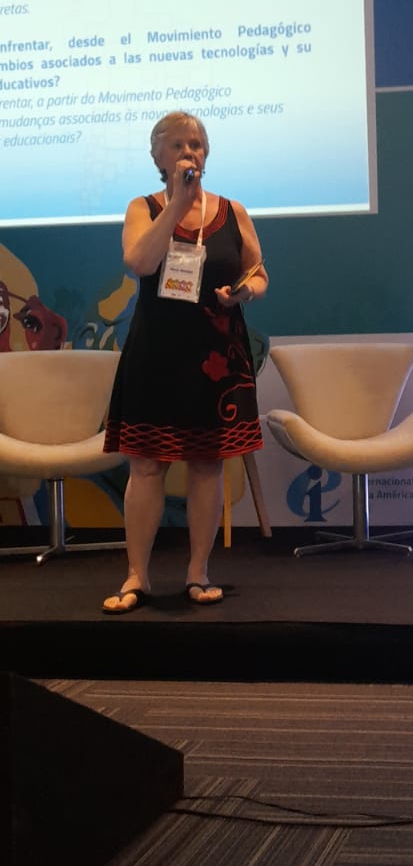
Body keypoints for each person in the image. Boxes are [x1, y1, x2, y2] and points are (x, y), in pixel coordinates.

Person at [102, 111, 268, 613]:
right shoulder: (144, 208)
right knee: (146, 464)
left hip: (216, 355)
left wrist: (243, 293)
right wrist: (177, 203)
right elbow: (140, 262)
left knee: (206, 463)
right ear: (158, 156)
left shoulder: (233, 211)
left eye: (195, 144)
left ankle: (198, 571)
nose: (188, 152)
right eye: (177, 145)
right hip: (157, 354)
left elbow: (258, 271)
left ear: (207, 153)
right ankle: (137, 575)